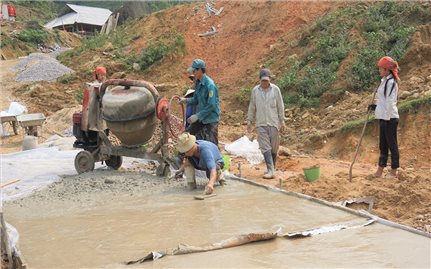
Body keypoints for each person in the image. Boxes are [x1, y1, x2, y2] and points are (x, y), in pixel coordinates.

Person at [247, 68, 286, 179]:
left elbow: (280, 105)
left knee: (274, 148)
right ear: (259, 80)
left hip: (274, 122)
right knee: (265, 147)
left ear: (270, 80)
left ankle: (272, 167)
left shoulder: (275, 90)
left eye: (266, 81)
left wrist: (282, 120)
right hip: (261, 123)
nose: (264, 83)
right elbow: (252, 106)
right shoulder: (255, 91)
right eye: (263, 81)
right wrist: (249, 121)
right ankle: (270, 169)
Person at [368, 56, 400, 178]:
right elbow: (383, 101)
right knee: (383, 145)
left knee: (392, 144)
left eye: (381, 68)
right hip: (383, 117)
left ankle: (393, 171)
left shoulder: (391, 83)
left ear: (387, 69)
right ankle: (380, 170)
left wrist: (385, 118)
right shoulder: (384, 81)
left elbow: (390, 102)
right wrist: (375, 107)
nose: (379, 71)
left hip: (390, 118)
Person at [180, 59, 220, 146]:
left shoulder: (210, 85)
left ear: (200, 70)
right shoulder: (198, 83)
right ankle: (179, 158)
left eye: (194, 71)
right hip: (201, 118)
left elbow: (211, 106)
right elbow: (196, 99)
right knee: (186, 136)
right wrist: (185, 100)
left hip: (210, 119)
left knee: (212, 144)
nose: (193, 73)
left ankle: (216, 159)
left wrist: (197, 116)